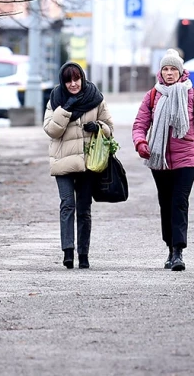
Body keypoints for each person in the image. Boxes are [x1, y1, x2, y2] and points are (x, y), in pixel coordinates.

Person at [132, 49, 194, 271]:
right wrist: (141, 143)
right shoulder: (153, 96)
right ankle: (170, 248)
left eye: (173, 69)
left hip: (187, 158)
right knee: (165, 204)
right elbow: (140, 125)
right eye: (165, 69)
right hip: (158, 158)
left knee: (179, 202)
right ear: (160, 72)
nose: (168, 73)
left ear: (181, 72)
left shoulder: (192, 94)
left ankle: (178, 252)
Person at [44, 62, 114, 270]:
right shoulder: (56, 99)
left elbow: (110, 127)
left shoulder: (95, 98)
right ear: (63, 82)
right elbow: (51, 130)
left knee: (84, 209)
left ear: (82, 78)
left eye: (76, 79)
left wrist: (99, 127)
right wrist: (66, 109)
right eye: (68, 80)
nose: (73, 84)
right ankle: (68, 252)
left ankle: (83, 254)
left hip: (87, 162)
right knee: (67, 205)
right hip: (63, 160)